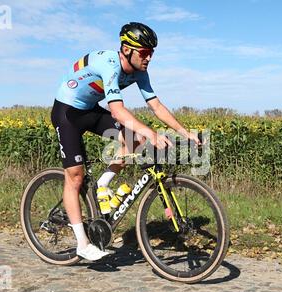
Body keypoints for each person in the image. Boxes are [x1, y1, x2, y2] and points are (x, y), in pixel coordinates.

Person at [51, 22, 200, 261]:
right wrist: (152, 133)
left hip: (90, 110)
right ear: (127, 50)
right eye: (144, 52)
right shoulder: (109, 65)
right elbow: (118, 112)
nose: (149, 58)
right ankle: (82, 243)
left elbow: (156, 105)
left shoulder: (140, 72)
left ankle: (102, 184)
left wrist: (184, 132)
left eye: (152, 53)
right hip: (67, 113)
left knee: (136, 140)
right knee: (75, 176)